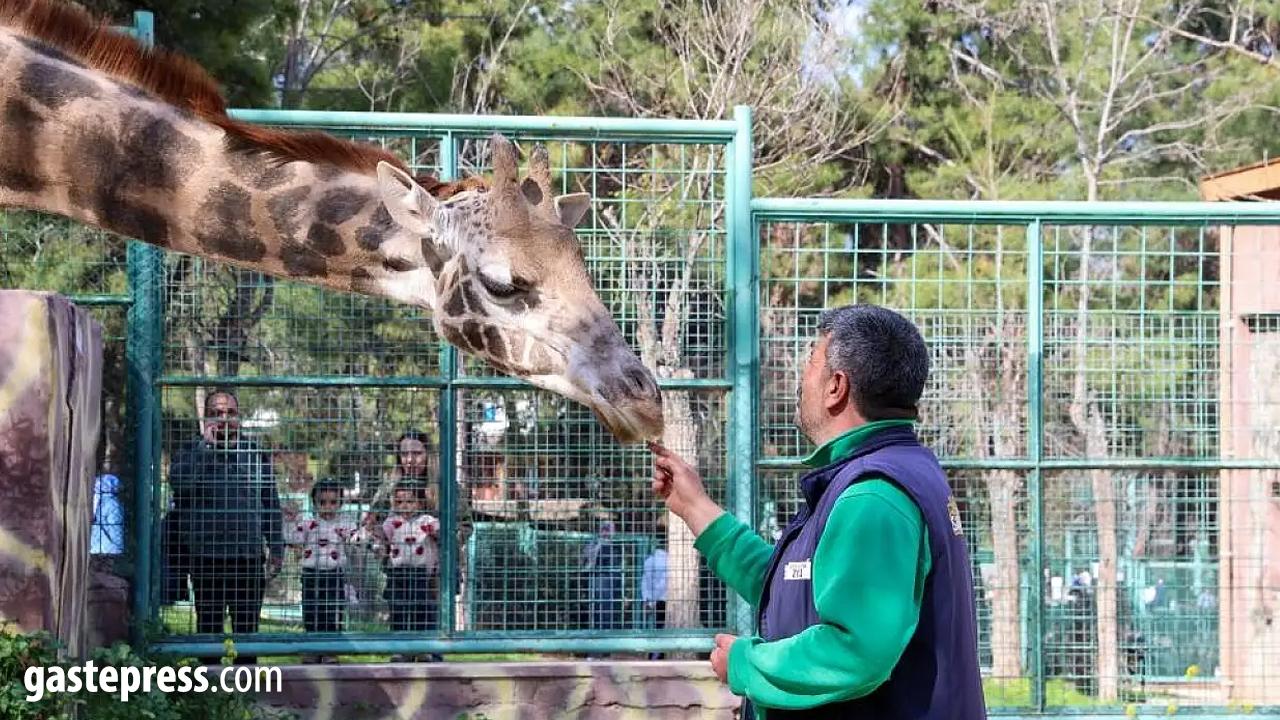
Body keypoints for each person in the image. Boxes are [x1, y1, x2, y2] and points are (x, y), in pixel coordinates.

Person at [649, 304, 986, 719]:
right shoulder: (889, 472)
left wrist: (746, 664)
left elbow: (856, 649)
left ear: (836, 387)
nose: (802, 379)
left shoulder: (872, 497)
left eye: (811, 361)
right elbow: (796, 588)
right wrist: (694, 506)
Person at [168, 389, 283, 663]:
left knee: (247, 636)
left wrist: (277, 547)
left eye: (230, 413)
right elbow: (180, 485)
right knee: (208, 634)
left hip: (247, 558)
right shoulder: (190, 451)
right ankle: (210, 689)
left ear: (238, 417)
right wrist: (206, 449)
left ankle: (246, 688)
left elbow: (270, 502)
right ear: (206, 418)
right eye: (216, 413)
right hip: (206, 558)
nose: (224, 419)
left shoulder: (254, 453)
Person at [284, 478, 359, 664]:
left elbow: (355, 538)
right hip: (311, 573)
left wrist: (357, 536)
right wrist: (291, 522)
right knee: (311, 611)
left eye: (333, 502)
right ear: (315, 503)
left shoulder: (344, 523)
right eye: (322, 502)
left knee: (333, 611)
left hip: (334, 574)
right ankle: (312, 649)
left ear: (340, 503)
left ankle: (330, 650)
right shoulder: (309, 523)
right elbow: (294, 539)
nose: (328, 507)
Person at [379, 482, 441, 662]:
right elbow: (382, 538)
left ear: (420, 503)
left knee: (421, 611)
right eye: (399, 502)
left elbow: (440, 533)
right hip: (397, 572)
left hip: (420, 572)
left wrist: (435, 533)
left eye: (410, 502)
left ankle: (422, 648)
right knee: (398, 610)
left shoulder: (427, 521)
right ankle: (400, 649)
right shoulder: (391, 522)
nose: (404, 506)